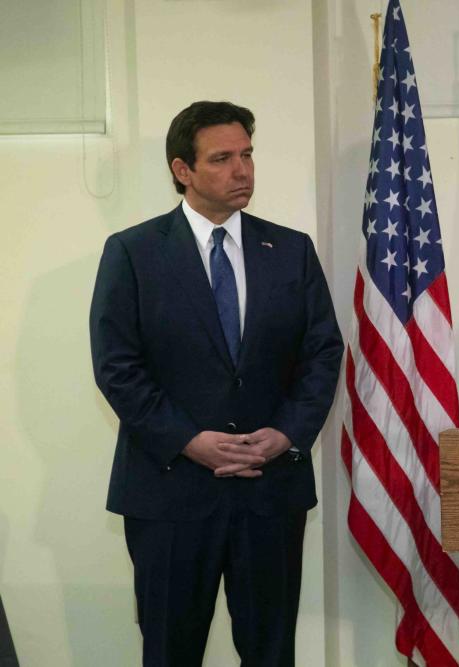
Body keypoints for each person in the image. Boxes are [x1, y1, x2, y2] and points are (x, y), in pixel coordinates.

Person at [89, 101, 343, 666]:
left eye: (247, 155)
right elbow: (116, 366)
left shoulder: (292, 250)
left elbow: (323, 353)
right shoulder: (133, 252)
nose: (242, 170)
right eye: (223, 158)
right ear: (183, 170)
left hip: (270, 489)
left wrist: (287, 432)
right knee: (171, 650)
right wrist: (187, 440)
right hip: (170, 492)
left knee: (272, 651)